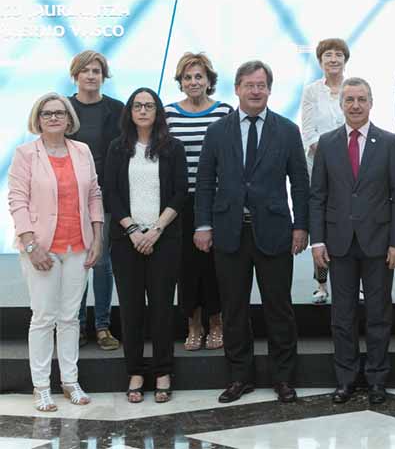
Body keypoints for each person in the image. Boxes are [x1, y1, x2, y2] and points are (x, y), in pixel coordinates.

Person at [195, 60, 310, 404]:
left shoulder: (287, 130)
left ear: (270, 90)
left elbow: (300, 183)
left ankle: (284, 379)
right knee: (233, 309)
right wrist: (203, 224)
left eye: (261, 85)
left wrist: (301, 225)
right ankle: (239, 377)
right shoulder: (217, 131)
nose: (255, 91)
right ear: (238, 89)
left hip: (274, 231)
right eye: (249, 85)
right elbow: (204, 182)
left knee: (279, 308)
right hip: (229, 233)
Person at [309, 78, 395, 405]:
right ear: (341, 104)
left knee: (379, 315)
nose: (355, 105)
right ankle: (346, 379)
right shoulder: (327, 143)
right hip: (338, 243)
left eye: (361, 99)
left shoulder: (391, 142)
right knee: (342, 316)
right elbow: (317, 197)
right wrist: (317, 241)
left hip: (380, 244)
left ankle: (378, 380)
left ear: (370, 103)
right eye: (349, 99)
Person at [8, 93, 103, 411]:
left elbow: (94, 195)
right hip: (41, 249)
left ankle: (70, 381)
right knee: (44, 317)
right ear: (38, 119)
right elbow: (17, 201)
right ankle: (41, 386)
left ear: (68, 118)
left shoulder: (82, 151)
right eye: (47, 113)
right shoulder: (25, 154)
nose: (53, 118)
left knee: (70, 318)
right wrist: (31, 244)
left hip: (78, 245)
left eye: (59, 113)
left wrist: (98, 237)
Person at [104, 88, 187, 403]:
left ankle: (163, 370)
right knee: (131, 308)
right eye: (137, 106)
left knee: (163, 308)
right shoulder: (117, 148)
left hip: (163, 239)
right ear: (129, 111)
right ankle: (136, 371)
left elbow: (181, 191)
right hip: (127, 240)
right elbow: (110, 191)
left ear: (157, 111)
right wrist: (133, 230)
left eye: (148, 106)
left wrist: (155, 230)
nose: (142, 111)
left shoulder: (172, 147)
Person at [164, 52, 233, 352]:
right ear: (180, 82)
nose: (193, 82)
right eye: (187, 77)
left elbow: (232, 158)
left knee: (216, 267)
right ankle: (193, 324)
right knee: (186, 268)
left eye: (199, 76)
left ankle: (217, 323)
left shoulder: (224, 112)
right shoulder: (168, 114)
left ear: (209, 81)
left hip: (217, 202)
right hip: (181, 204)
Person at [67, 50, 123, 351]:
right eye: (86, 70)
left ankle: (102, 326)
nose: (91, 75)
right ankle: (75, 325)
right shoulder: (63, 108)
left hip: (107, 198)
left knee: (102, 263)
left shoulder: (117, 109)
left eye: (97, 71)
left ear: (104, 76)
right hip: (70, 199)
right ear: (75, 74)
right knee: (76, 264)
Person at [300, 38, 349, 304]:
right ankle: (321, 284)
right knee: (320, 225)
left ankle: (355, 283)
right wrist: (325, 151)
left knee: (350, 223)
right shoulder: (311, 91)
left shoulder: (353, 88)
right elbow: (307, 130)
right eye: (328, 55)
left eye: (338, 54)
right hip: (318, 165)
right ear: (320, 60)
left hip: (351, 167)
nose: (333, 59)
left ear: (345, 59)